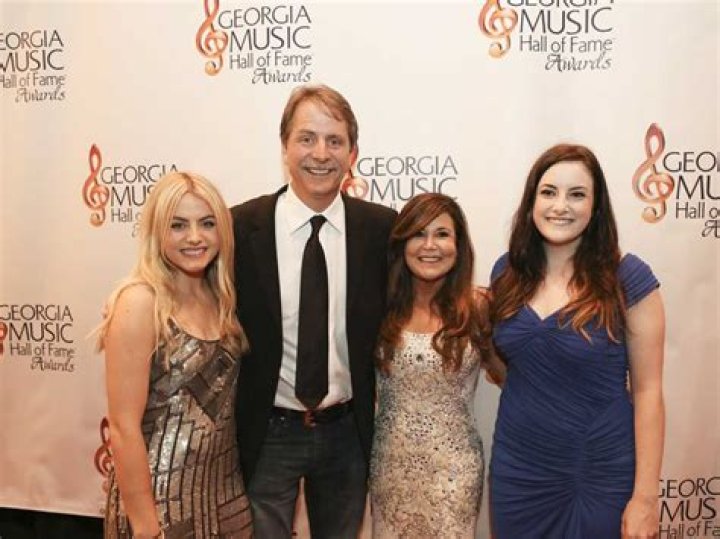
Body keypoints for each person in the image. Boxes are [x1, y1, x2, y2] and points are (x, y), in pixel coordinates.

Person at [231, 83, 397, 538]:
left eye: (335, 141)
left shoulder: (382, 230)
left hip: (346, 433)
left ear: (352, 153)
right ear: (285, 147)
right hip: (267, 430)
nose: (321, 153)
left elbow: (426, 290)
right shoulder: (240, 227)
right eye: (307, 138)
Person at [489, 144, 665, 538]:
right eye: (549, 192)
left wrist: (645, 498)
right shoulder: (507, 273)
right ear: (532, 201)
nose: (560, 206)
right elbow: (512, 367)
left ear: (596, 206)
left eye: (577, 194)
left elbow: (649, 392)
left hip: (597, 471)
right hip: (518, 469)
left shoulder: (628, 278)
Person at [98, 172, 253, 538]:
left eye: (207, 223)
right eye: (178, 225)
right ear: (157, 232)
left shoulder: (222, 297)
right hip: (159, 506)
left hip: (227, 501)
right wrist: (145, 526)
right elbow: (122, 427)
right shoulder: (140, 302)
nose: (195, 237)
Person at [369, 193, 504, 538]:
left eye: (442, 234)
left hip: (455, 473)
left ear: (459, 246)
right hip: (390, 468)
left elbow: (507, 375)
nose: (430, 246)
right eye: (418, 234)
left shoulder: (478, 306)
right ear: (402, 244)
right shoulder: (380, 306)